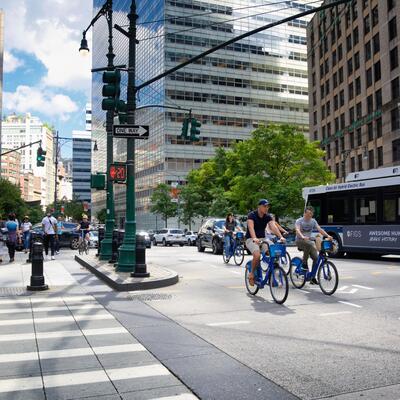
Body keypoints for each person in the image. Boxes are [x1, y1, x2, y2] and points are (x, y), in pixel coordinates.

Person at [245, 199, 286, 286]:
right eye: (264, 206)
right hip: (251, 239)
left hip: (263, 239)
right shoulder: (252, 215)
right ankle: (251, 273)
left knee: (273, 251)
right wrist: (254, 238)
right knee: (257, 255)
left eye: (267, 206)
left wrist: (281, 236)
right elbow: (250, 227)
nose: (266, 208)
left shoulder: (267, 216)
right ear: (259, 206)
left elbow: (273, 227)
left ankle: (271, 272)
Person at [295, 206, 333, 283]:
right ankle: (304, 264)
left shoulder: (313, 221)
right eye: (308, 213)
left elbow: (319, 229)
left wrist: (327, 235)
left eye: (311, 214)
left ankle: (312, 277)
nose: (310, 215)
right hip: (299, 241)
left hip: (309, 241)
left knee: (316, 258)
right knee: (309, 244)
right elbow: (297, 229)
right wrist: (302, 236)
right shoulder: (299, 221)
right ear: (305, 213)